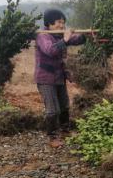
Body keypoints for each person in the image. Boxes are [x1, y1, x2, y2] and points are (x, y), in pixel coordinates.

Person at [35, 9, 86, 146]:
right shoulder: (43, 36)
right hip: (46, 79)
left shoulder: (59, 35)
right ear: (50, 23)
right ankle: (52, 137)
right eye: (59, 22)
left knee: (64, 105)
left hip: (59, 77)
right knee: (52, 109)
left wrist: (86, 36)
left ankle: (65, 130)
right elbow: (50, 50)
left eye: (63, 22)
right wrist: (65, 39)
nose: (62, 25)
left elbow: (75, 40)